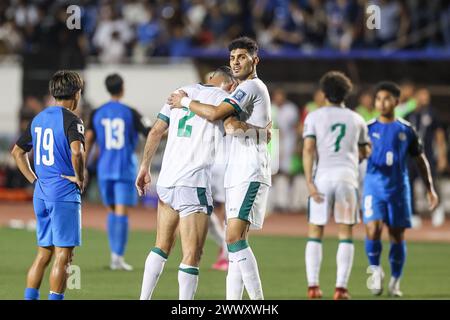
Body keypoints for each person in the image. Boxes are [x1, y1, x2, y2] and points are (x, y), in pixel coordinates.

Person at [168, 37, 272, 300]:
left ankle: (258, 302)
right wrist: (239, 125)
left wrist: (184, 102)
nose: (235, 62)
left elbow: (215, 114)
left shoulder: (251, 87)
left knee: (236, 240)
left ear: (254, 60)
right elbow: (229, 125)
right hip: (237, 170)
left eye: (242, 57)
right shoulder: (244, 88)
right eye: (232, 58)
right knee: (234, 241)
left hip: (250, 170)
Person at [137, 66, 236, 300]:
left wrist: (144, 167)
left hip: (167, 180)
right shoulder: (225, 99)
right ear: (231, 84)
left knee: (161, 246)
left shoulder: (180, 92)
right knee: (192, 254)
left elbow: (155, 131)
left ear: (209, 77)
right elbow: (231, 129)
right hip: (193, 181)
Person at [11, 70, 85, 300]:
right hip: (62, 193)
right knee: (64, 255)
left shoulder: (39, 118)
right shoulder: (72, 120)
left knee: (44, 254)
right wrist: (80, 178)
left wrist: (34, 180)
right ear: (75, 94)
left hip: (41, 194)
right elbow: (77, 151)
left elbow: (17, 152)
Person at [363, 82, 439, 297]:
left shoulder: (406, 129)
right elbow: (356, 155)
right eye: (378, 99)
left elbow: (420, 159)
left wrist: (430, 188)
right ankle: (375, 270)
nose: (382, 103)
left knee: (397, 235)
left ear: (396, 102)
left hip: (398, 187)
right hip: (373, 185)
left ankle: (395, 280)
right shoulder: (367, 128)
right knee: (372, 229)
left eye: (386, 98)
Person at [302, 71, 371, 300]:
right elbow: (364, 151)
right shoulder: (357, 119)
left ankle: (313, 286)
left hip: (321, 178)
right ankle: (340, 288)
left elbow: (309, 149)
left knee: (315, 232)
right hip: (346, 179)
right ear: (346, 93)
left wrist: (309, 182)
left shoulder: (314, 117)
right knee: (345, 233)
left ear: (323, 93)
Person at [85, 73, 151, 271]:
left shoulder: (97, 112)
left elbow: (88, 139)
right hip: (124, 167)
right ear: (122, 88)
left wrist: (83, 167)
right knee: (121, 212)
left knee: (112, 211)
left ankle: (115, 255)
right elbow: (151, 133)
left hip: (104, 168)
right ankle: (117, 257)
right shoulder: (131, 112)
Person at [406, 88, 447, 228]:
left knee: (429, 183)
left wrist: (442, 156)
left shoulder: (432, 113)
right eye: (422, 95)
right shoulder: (409, 114)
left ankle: (437, 209)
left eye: (427, 95)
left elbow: (439, 135)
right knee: (409, 184)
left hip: (427, 155)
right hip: (411, 156)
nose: (425, 98)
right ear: (416, 97)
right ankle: (413, 213)